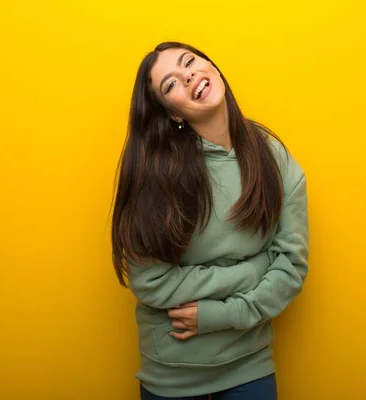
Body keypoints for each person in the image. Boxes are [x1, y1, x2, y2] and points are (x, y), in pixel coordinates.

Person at [111, 41, 309, 400]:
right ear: (173, 114)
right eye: (170, 84)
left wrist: (219, 315)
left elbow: (291, 267)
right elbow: (149, 281)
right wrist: (252, 271)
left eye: (189, 62)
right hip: (171, 373)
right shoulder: (156, 174)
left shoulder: (273, 157)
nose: (187, 76)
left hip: (249, 363)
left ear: (212, 67)